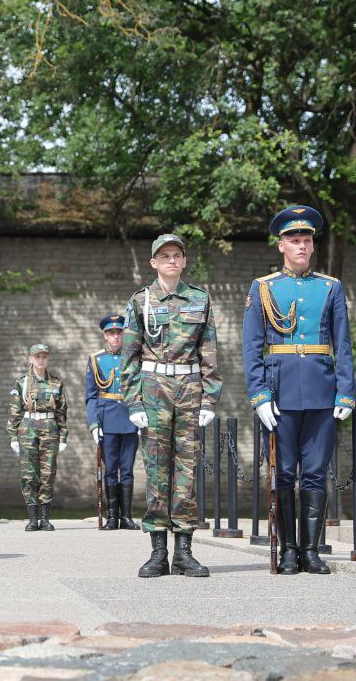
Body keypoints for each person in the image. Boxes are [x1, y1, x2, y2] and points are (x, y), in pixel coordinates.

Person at [243, 206, 355, 575]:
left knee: (315, 473)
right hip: (281, 392)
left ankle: (310, 550)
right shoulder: (264, 288)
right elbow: (251, 346)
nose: (302, 246)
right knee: (285, 473)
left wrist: (345, 392)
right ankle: (288, 549)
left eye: (306, 240)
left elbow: (343, 344)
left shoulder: (331, 287)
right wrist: (259, 395)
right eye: (295, 241)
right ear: (281, 246)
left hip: (322, 391)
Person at [121, 233, 218, 579]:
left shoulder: (200, 299)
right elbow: (128, 357)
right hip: (154, 389)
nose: (171, 261)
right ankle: (158, 552)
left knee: (187, 473)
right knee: (157, 470)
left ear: (184, 261)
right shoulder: (140, 301)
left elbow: (209, 352)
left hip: (189, 389)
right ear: (154, 263)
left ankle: (184, 552)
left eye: (177, 255)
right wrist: (133, 402)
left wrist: (210, 398)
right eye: (164, 256)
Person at [86, 314, 138, 530]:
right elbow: (91, 395)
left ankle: (126, 517)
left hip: (130, 418)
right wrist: (94, 424)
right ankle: (112, 517)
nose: (115, 336)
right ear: (104, 335)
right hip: (107, 419)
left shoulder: (134, 357)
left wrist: (141, 416)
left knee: (127, 469)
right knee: (110, 470)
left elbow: (141, 388)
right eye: (111, 333)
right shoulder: (96, 360)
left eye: (118, 332)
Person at [8, 343, 67, 531]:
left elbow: (62, 412)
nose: (41, 360)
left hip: (50, 428)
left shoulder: (56, 382)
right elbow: (15, 411)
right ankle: (33, 518)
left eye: (44, 356)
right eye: (37, 356)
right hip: (28, 428)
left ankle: (45, 518)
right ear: (31, 359)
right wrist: (13, 436)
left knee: (48, 474)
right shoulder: (22, 382)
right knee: (29, 474)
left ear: (48, 359)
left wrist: (63, 436)